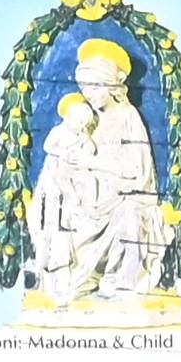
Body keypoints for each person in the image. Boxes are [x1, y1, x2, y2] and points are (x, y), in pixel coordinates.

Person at [23, 29, 167, 306]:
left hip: (121, 196)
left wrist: (92, 163)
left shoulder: (128, 116)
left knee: (129, 216)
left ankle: (116, 277)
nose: (89, 94)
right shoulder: (83, 117)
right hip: (86, 198)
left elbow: (137, 171)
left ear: (112, 85)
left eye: (96, 87)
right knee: (55, 176)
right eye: (85, 88)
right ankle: (61, 267)